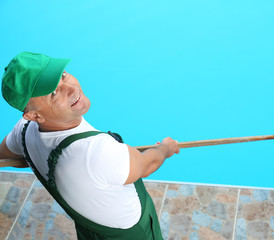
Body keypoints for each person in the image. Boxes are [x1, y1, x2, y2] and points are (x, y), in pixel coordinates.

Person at [0, 52, 179, 239]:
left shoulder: (23, 131)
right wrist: (165, 149)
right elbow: (147, 165)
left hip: (90, 231)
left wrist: (33, 156)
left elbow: (5, 157)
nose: (70, 89)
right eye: (53, 93)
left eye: (62, 76)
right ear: (35, 116)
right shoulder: (97, 152)